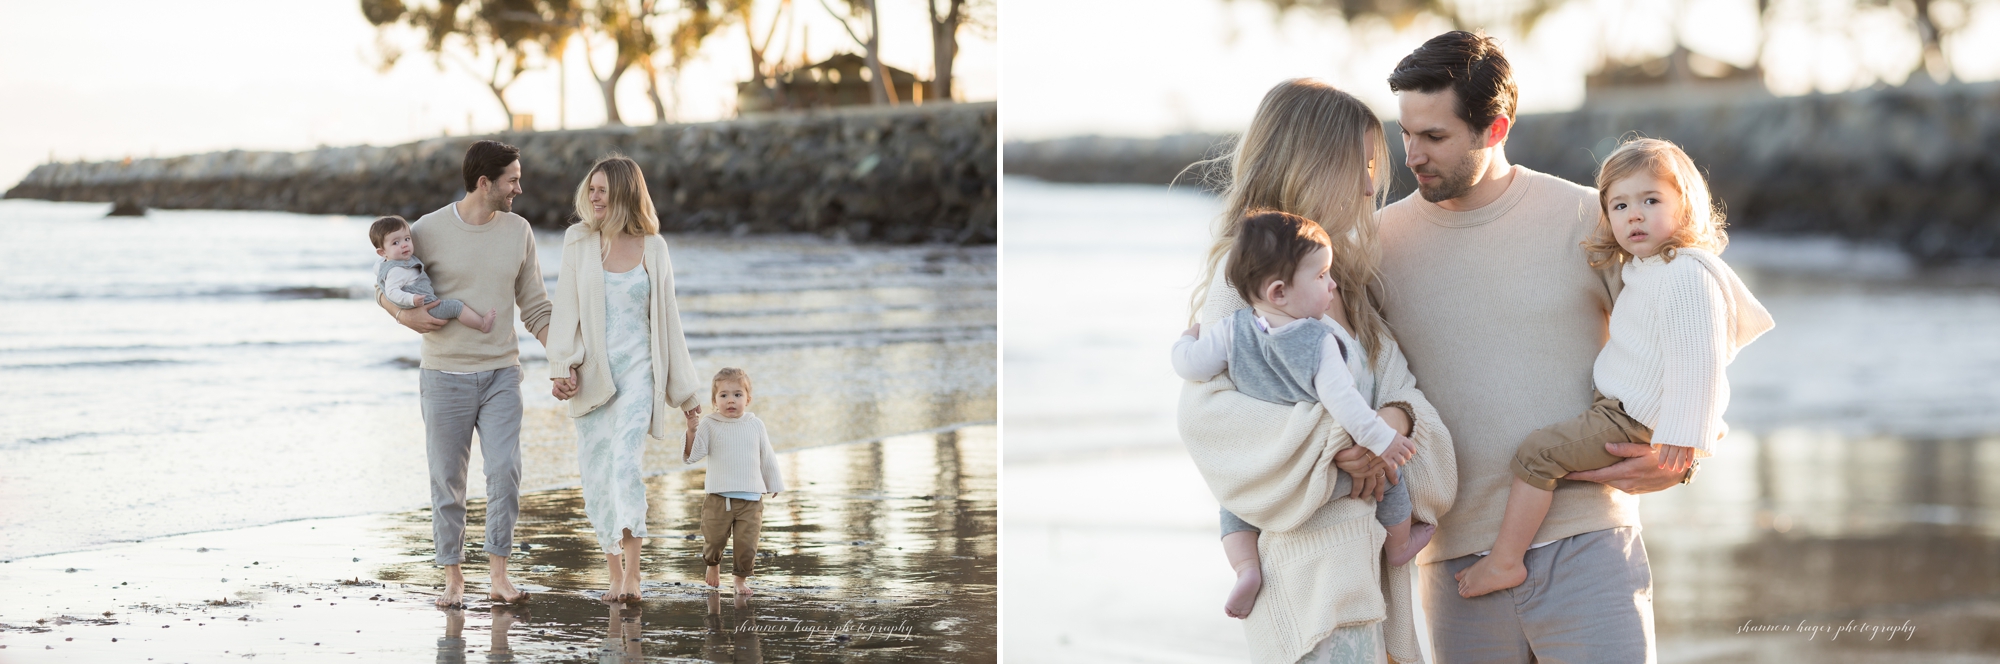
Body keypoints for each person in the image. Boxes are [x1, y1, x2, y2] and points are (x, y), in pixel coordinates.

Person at [1377, 31, 1694, 661]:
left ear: (1494, 129)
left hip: (1589, 543)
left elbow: (1686, 328)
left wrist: (1686, 448)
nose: (1411, 154)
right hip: (1456, 560)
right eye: (1406, 133)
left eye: (1434, 137)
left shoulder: (1590, 218)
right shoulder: (1375, 245)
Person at [1175, 78, 1458, 664]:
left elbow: (1409, 402)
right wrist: (1342, 441)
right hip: (1310, 587)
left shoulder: (1345, 282)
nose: (1367, 185)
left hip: (1371, 582)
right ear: (1310, 163)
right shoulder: (1250, 288)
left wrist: (1394, 423)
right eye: (1358, 164)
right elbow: (1210, 423)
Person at [1454, 138, 1773, 598]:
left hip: (1632, 420)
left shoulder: (1685, 273)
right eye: (1619, 205)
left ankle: (1505, 562)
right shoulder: (1649, 266)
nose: (1634, 215)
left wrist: (1684, 438)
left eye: (1650, 200)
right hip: (1621, 408)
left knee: (1535, 454)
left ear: (1685, 206)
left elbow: (1698, 360)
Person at [1170, 210, 1434, 621]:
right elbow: (1347, 405)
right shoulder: (1319, 340)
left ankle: (1245, 568)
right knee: (1390, 480)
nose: (1332, 284)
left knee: (1234, 507)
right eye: (1322, 276)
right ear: (1279, 292)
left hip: (1269, 474)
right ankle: (1399, 544)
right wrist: (1384, 440)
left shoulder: (1231, 329)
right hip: (1325, 475)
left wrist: (1185, 342)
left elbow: (1191, 367)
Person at [376, 139, 557, 608]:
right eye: (512, 179)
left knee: (504, 472)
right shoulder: (427, 230)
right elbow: (384, 282)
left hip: (501, 373)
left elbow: (535, 305)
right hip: (444, 376)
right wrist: (402, 316)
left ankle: (499, 574)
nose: (520, 187)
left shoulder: (519, 230)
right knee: (447, 480)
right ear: (485, 183)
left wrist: (563, 358)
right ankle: (453, 578)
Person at [545, 154, 704, 603]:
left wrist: (687, 394)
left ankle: (633, 574)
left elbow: (669, 320)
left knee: (624, 464)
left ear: (624, 194)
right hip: (595, 376)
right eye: (591, 189)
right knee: (596, 472)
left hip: (640, 374)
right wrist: (562, 368)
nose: (594, 197)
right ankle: (613, 572)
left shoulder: (654, 247)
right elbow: (566, 310)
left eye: (603, 190)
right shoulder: (578, 241)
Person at [683, 367, 785, 597]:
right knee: (714, 538)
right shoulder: (709, 423)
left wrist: (774, 482)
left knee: (747, 544)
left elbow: (766, 455)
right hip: (719, 497)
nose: (731, 400)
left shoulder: (755, 424)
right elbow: (693, 455)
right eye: (724, 395)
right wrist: (691, 431)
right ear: (714, 400)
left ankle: (740, 580)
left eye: (737, 395)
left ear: (748, 399)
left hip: (751, 498)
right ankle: (712, 563)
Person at [370, 215, 495, 334]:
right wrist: (411, 300)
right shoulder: (396, 271)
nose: (404, 244)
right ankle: (483, 324)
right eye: (395, 243)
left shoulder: (385, 263)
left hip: (423, 304)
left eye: (407, 239)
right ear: (382, 252)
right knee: (457, 307)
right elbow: (391, 292)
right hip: (427, 306)